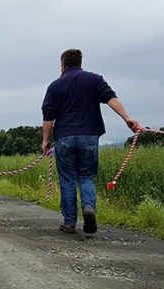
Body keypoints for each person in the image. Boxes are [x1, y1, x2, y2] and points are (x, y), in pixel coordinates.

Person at [41, 49, 140, 234]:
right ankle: (88, 209)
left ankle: (70, 222)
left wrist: (45, 140)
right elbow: (111, 98)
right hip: (89, 136)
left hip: (64, 137)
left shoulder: (55, 86)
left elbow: (48, 115)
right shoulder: (94, 80)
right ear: (80, 62)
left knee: (68, 179)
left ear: (63, 65)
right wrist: (127, 118)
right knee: (86, 176)